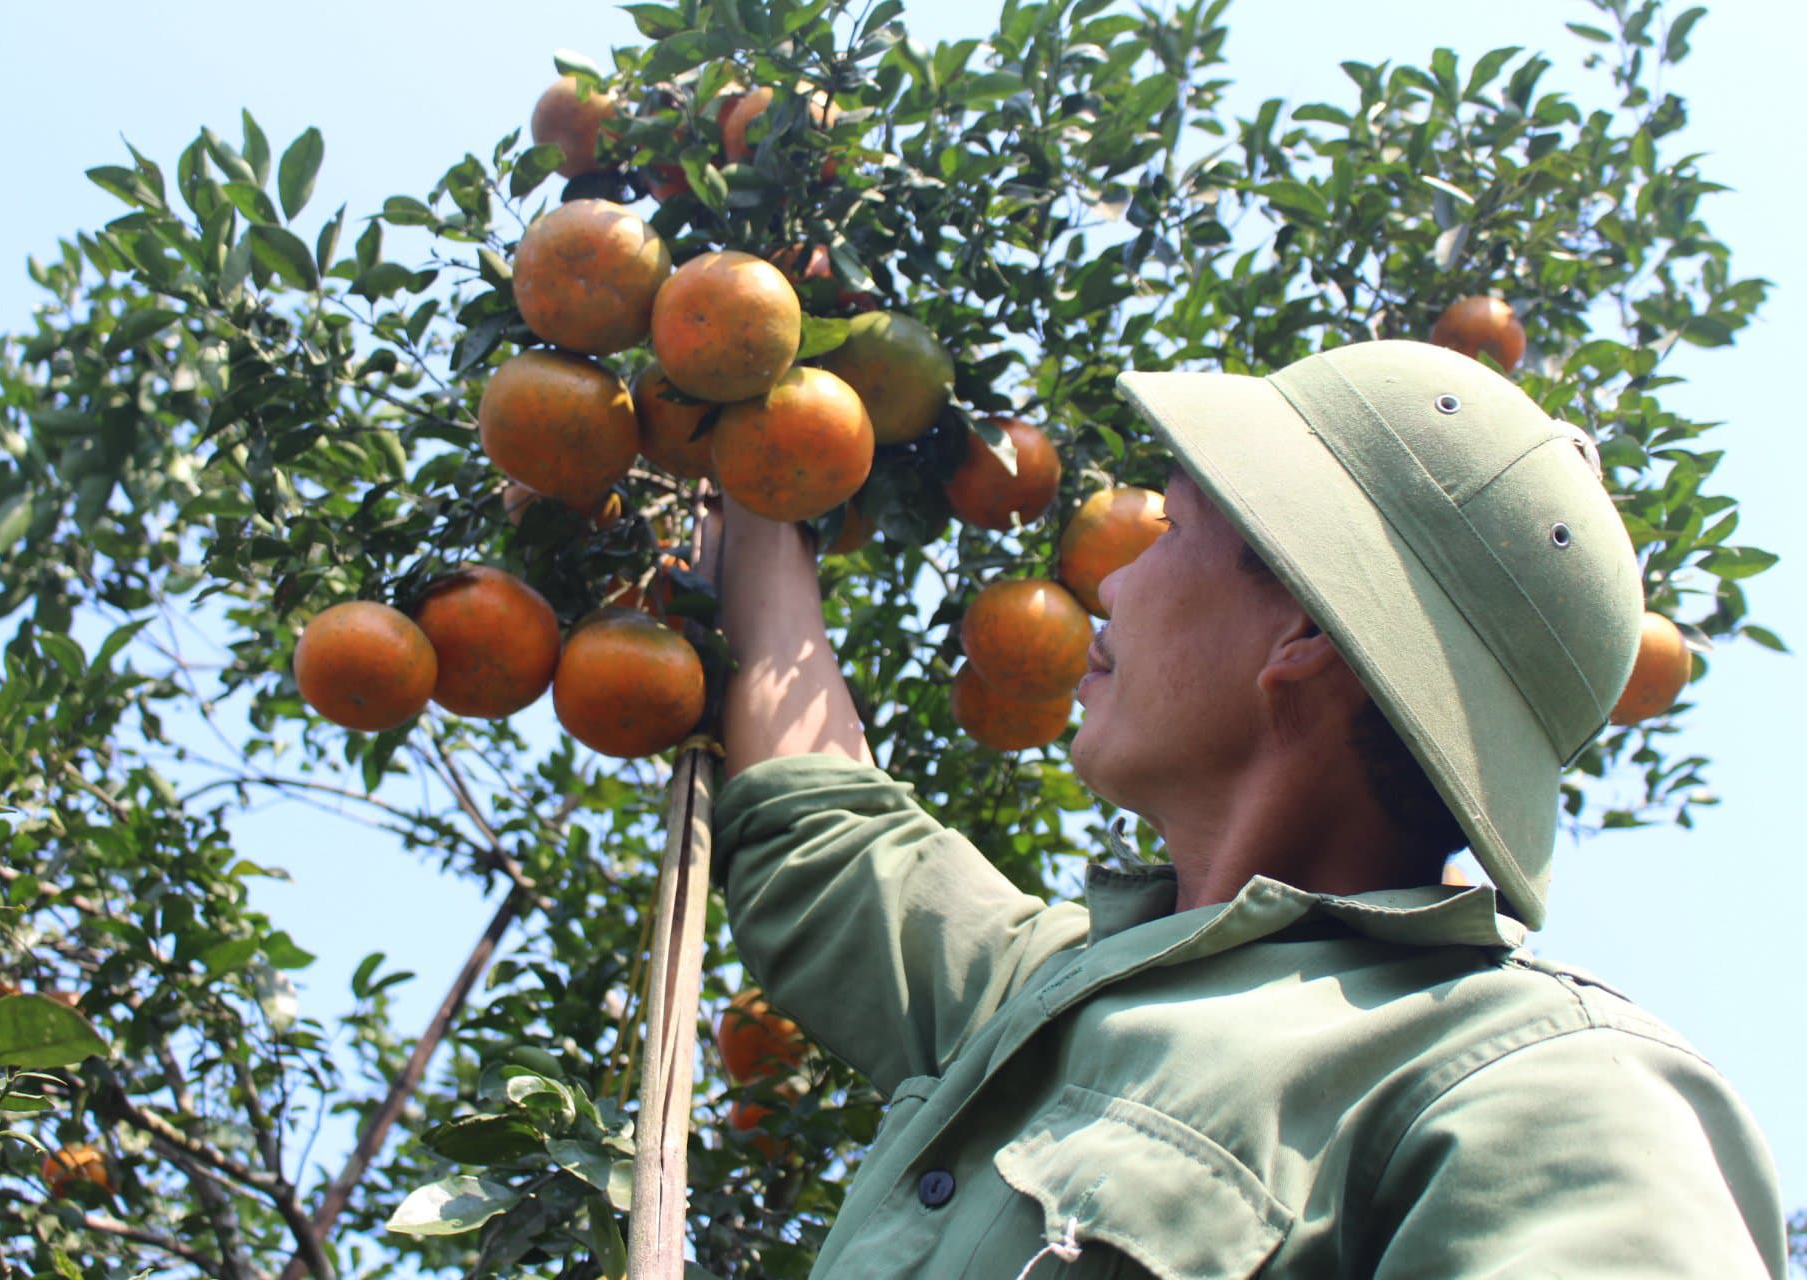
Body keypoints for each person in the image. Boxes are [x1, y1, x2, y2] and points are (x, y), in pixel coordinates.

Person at [703, 340, 1784, 1277]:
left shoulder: (1552, 1088)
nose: (1115, 578)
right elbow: (832, 834)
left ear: (1304, 634)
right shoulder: (1048, 987)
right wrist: (754, 468)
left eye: (1170, 528)